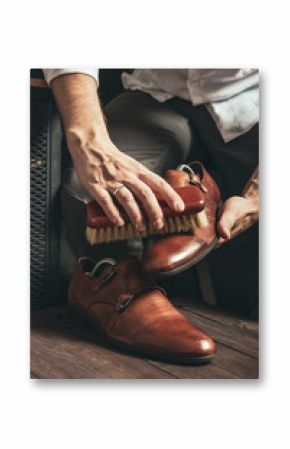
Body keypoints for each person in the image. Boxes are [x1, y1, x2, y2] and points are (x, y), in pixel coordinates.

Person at [42, 68, 259, 364]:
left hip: (258, 103)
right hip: (158, 94)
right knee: (92, 195)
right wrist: (90, 143)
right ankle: (119, 286)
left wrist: (260, 194)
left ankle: (199, 191)